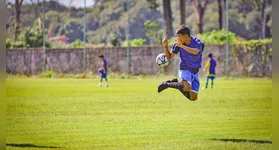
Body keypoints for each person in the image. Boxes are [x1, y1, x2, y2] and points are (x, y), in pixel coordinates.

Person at [158, 25, 204, 101]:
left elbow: (195, 52)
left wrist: (182, 46)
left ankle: (177, 83)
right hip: (184, 68)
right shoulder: (178, 45)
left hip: (195, 71)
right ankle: (167, 84)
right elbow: (169, 56)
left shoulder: (197, 42)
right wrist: (165, 46)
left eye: (179, 36)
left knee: (193, 98)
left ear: (185, 36)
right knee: (187, 86)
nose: (178, 38)